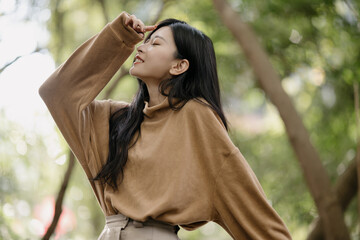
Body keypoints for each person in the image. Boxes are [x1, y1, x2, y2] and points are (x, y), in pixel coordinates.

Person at [39, 11, 292, 240]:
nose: (142, 47)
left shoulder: (196, 116)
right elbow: (57, 93)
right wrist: (120, 37)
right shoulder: (116, 119)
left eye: (155, 43)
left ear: (179, 65)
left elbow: (252, 210)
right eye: (145, 41)